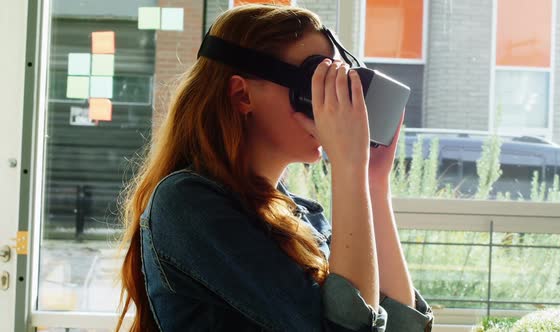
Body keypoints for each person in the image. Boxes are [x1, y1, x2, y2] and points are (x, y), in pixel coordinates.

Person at [116, 3, 434, 331]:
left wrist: (372, 183)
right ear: (242, 95)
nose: (330, 105)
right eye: (314, 83)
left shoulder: (305, 216)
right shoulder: (187, 204)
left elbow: (400, 326)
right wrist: (348, 168)